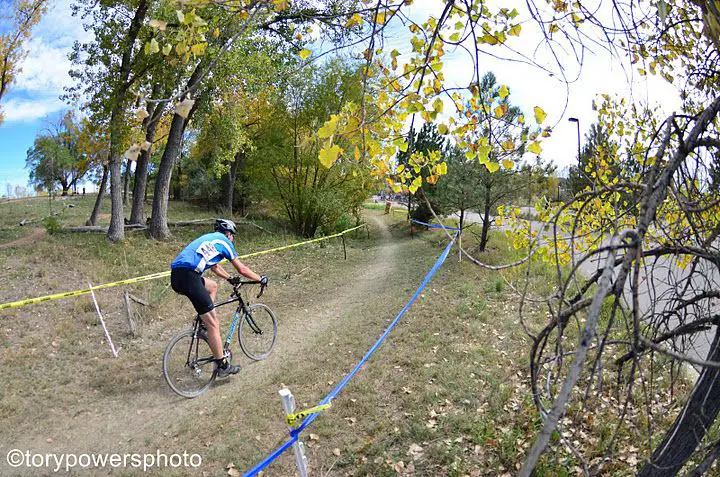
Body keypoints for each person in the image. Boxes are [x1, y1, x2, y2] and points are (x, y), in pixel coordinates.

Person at [170, 218, 268, 377]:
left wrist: (229, 278)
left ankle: (203, 324)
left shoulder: (209, 239)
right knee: (214, 323)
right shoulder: (224, 242)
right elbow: (242, 269)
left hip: (177, 277)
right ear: (228, 233)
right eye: (233, 235)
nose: (233, 239)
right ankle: (222, 365)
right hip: (189, 277)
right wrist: (260, 278)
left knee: (212, 286)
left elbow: (214, 266)